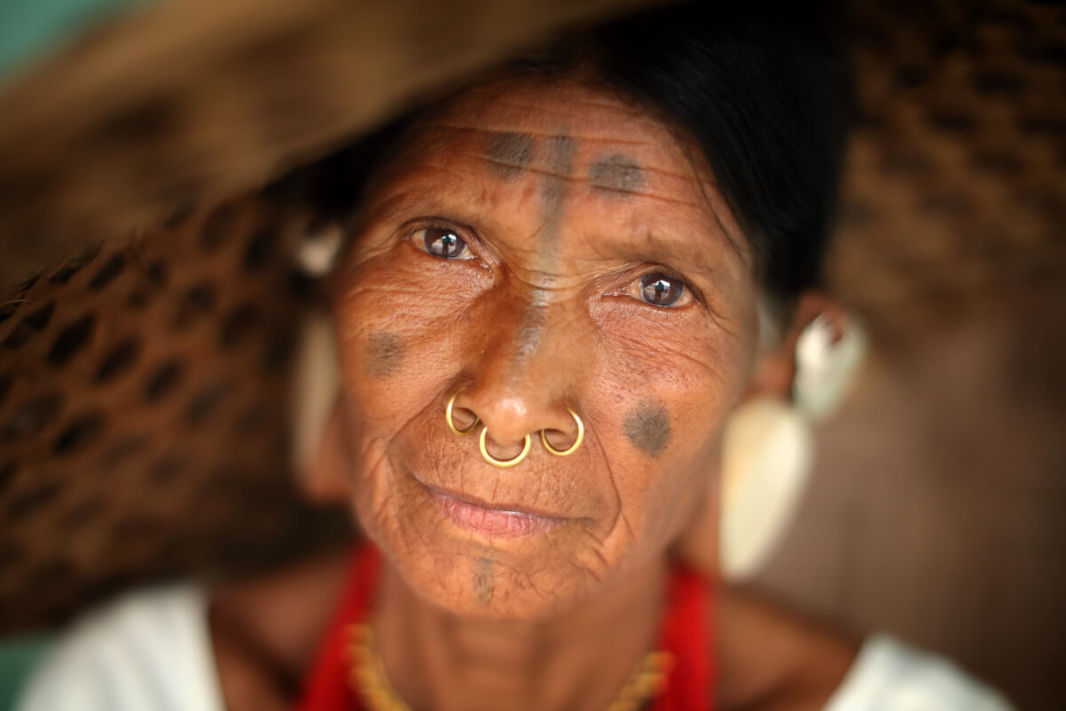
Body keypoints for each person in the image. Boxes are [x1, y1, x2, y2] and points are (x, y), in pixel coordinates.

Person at [15, 3, 1014, 710]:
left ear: (784, 358)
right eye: (445, 242)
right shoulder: (141, 689)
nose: (507, 402)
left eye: (657, 288)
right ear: (331, 271)